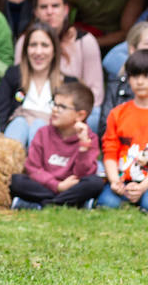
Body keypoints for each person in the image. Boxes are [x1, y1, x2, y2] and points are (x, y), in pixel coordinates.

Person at [97, 48, 148, 214]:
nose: (140, 82)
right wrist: (114, 181)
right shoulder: (117, 113)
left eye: (146, 76)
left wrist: (143, 187)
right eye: (134, 76)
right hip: (121, 178)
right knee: (107, 204)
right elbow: (110, 150)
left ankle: (142, 195)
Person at [9, 81, 103, 209]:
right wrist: (57, 186)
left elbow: (83, 174)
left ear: (80, 115)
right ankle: (68, 204)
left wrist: (83, 147)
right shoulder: (43, 133)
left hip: (72, 187)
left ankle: (41, 204)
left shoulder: (89, 138)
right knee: (16, 181)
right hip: (45, 185)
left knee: (95, 183)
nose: (54, 110)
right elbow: (33, 168)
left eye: (62, 107)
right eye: (54, 104)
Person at [16, 0, 103, 107]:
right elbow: (17, 84)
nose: (50, 12)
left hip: (75, 111)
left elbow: (96, 93)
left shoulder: (85, 42)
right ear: (35, 12)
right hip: (32, 109)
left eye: (55, 6)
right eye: (43, 7)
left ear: (66, 9)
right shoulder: (24, 42)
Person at [0, 22, 73, 147]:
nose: (38, 51)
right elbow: (0, 114)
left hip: (51, 148)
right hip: (16, 143)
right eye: (33, 45)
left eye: (45, 45)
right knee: (19, 123)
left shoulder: (68, 83)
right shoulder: (13, 75)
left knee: (39, 127)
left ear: (54, 50)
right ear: (26, 49)